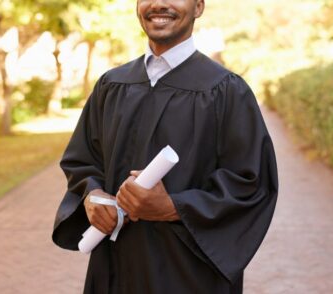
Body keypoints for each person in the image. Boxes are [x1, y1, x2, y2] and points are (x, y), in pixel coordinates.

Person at [52, 0, 278, 293]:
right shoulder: (112, 85)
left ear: (198, 7)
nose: (159, 4)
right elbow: (82, 160)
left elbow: (252, 184)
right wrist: (92, 194)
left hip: (189, 273)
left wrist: (173, 207)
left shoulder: (227, 91)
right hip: (114, 267)